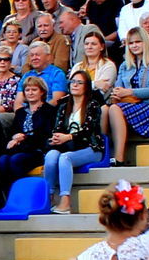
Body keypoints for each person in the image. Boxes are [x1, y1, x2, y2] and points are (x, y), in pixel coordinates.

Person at [102, 28, 149, 166]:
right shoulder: (125, 66)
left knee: (114, 109)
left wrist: (129, 92)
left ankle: (118, 158)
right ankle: (102, 154)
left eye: (138, 42)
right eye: (131, 43)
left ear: (146, 43)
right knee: (104, 110)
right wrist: (117, 94)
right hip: (129, 106)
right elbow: (118, 87)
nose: (134, 45)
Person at [45, 71, 105, 213]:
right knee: (50, 156)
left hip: (91, 147)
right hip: (69, 146)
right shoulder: (64, 106)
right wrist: (57, 137)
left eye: (79, 82)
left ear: (86, 86)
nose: (75, 85)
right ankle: (49, 197)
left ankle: (65, 201)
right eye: (72, 82)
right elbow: (58, 127)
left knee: (64, 158)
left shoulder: (93, 105)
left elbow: (88, 131)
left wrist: (69, 137)